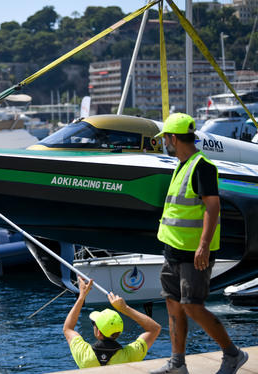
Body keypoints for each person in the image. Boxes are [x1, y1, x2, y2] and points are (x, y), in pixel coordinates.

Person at [151, 113, 248, 374]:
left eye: (166, 140)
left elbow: (213, 206)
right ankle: (177, 364)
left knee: (192, 306)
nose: (165, 144)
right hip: (172, 250)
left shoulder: (201, 166)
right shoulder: (182, 164)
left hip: (194, 253)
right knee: (173, 305)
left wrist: (204, 246)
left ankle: (233, 355)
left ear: (173, 138)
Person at [63, 276, 161, 369]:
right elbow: (154, 329)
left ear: (99, 332)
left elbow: (68, 328)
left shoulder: (84, 355)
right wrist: (125, 309)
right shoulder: (129, 356)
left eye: (94, 324)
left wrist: (81, 297)